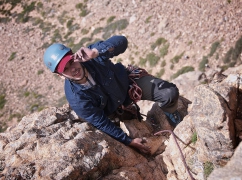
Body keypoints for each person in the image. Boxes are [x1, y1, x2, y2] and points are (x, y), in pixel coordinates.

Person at [43, 35, 181, 154]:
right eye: (65, 69)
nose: (73, 69)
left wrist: (96, 52)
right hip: (111, 113)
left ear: (74, 56)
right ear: (60, 76)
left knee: (169, 93)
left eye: (71, 62)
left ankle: (171, 114)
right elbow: (100, 122)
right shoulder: (76, 98)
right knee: (118, 146)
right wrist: (129, 141)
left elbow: (122, 41)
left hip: (126, 87)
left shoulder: (91, 55)